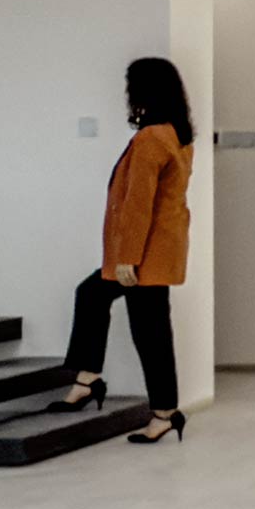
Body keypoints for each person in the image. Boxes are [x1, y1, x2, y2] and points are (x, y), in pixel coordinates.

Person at [56, 56, 193, 443]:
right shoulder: (178, 134)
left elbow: (138, 203)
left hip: (144, 253)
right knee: (132, 319)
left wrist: (126, 258)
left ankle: (159, 410)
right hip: (162, 248)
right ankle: (92, 382)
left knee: (146, 330)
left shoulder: (151, 138)